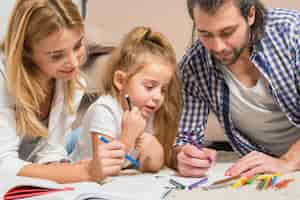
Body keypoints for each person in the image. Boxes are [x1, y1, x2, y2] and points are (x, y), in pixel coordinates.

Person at [0, 0, 125, 183]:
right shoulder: (4, 80)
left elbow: (51, 151)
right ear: (26, 51)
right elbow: (3, 166)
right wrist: (84, 172)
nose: (74, 63)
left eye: (78, 46)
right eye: (57, 55)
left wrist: (72, 167)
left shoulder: (71, 82)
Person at [173, 0, 300, 178]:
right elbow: (184, 140)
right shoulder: (193, 66)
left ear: (250, 15)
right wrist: (185, 157)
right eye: (205, 34)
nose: (218, 47)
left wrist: (288, 161)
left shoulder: (292, 32)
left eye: (227, 32)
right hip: (265, 170)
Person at [71, 26, 182, 172]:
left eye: (163, 90)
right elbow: (105, 167)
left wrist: (155, 151)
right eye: (149, 87)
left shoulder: (148, 111)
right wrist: (128, 136)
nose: (157, 97)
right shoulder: (104, 110)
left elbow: (151, 167)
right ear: (120, 81)